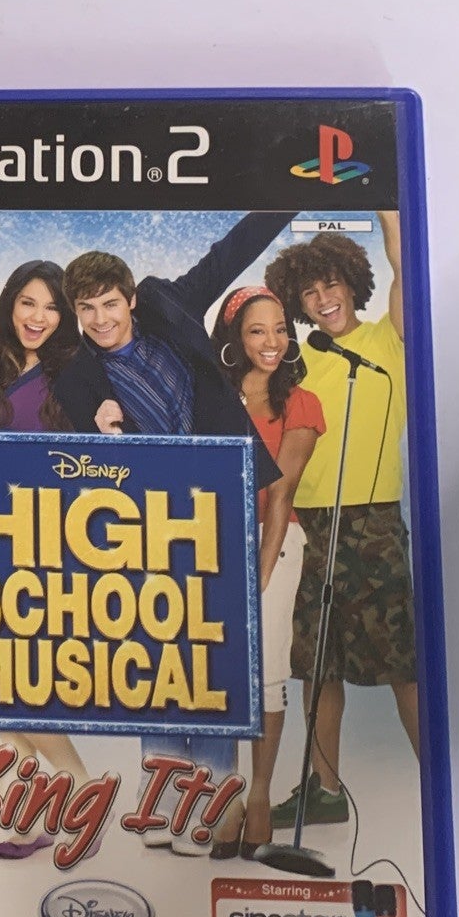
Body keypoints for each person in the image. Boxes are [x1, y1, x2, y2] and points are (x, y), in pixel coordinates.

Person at [57, 212, 293, 857]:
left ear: (130, 298)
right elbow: (87, 468)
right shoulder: (78, 376)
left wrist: (290, 195)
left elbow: (231, 250)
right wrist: (101, 430)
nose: (101, 319)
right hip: (145, 526)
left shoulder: (168, 302)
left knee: (211, 655)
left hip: (218, 501)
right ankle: (161, 799)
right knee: (153, 656)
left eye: (110, 304)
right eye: (87, 309)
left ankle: (209, 803)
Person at [264, 212, 416, 830]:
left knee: (402, 662)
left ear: (353, 283)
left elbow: (405, 265)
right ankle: (324, 789)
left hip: (374, 523)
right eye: (309, 291)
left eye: (331, 284)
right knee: (317, 665)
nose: (323, 298)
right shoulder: (300, 363)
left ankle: (441, 784)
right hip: (310, 527)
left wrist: (387, 208)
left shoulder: (388, 341)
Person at [0, 260, 88, 859]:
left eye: (51, 307)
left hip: (47, 538)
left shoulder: (76, 372)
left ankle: (80, 792)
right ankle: (30, 815)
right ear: (11, 303)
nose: (38, 317)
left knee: (20, 684)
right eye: (28, 303)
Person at [210, 286, 325, 857]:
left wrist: (258, 577)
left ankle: (259, 795)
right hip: (212, 541)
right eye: (258, 331)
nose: (272, 341)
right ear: (235, 339)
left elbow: (281, 493)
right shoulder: (213, 398)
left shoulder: (301, 403)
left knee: (266, 670)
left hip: (274, 540)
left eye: (280, 329)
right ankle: (229, 796)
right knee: (222, 672)